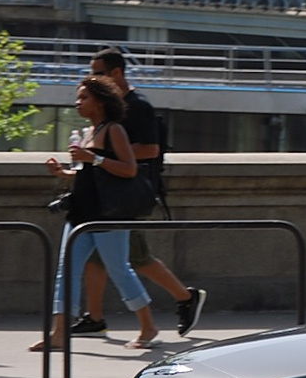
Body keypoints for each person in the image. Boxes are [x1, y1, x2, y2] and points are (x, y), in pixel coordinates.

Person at [69, 47, 207, 338]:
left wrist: (107, 153)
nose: (93, 78)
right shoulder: (109, 108)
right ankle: (94, 317)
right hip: (103, 192)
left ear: (117, 73)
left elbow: (150, 149)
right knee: (100, 257)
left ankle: (183, 298)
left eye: (99, 73)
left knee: (134, 257)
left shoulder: (137, 106)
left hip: (124, 194)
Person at [31, 75, 159, 350]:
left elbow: (129, 169)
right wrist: (63, 174)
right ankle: (58, 334)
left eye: (84, 98)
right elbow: (87, 176)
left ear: (100, 102)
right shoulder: (89, 132)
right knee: (66, 271)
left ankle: (148, 327)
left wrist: (96, 158)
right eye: (78, 98)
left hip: (107, 215)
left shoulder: (114, 130)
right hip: (81, 213)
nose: (78, 103)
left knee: (119, 270)